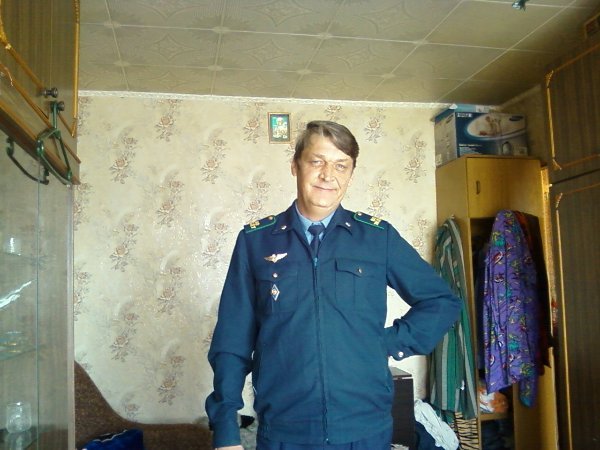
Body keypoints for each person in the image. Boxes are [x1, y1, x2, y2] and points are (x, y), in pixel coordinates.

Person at [206, 120, 462, 450]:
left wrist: (386, 343)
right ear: (295, 166)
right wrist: (226, 429)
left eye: (341, 165)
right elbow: (232, 340)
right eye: (317, 161)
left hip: (364, 429)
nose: (328, 175)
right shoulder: (256, 241)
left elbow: (441, 301)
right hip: (285, 432)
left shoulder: (376, 238)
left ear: (351, 174)